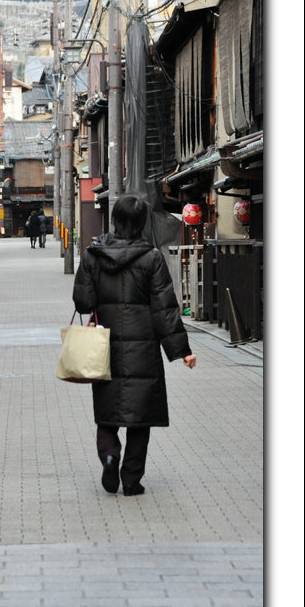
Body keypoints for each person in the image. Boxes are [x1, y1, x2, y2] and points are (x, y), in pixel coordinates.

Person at [72, 194, 196, 496]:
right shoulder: (152, 257)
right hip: (144, 349)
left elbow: (83, 302)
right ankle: (130, 480)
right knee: (141, 417)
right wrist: (182, 351)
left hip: (105, 347)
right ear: (142, 224)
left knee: (107, 412)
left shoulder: (93, 255)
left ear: (114, 220)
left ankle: (109, 455)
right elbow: (165, 308)